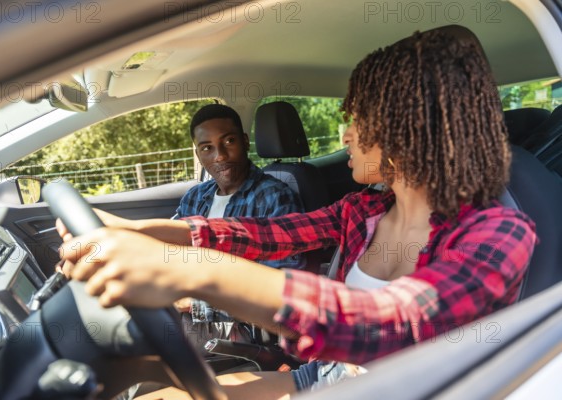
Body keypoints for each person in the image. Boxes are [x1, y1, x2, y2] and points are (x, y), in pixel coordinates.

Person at [58, 25, 537, 399]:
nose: (346, 135)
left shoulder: (498, 234)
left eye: (359, 120)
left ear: (409, 127)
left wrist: (184, 269)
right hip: (322, 379)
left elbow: (383, 321)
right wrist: (137, 230)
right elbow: (260, 235)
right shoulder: (364, 209)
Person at [175, 103, 304, 349]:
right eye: (207, 148)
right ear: (198, 154)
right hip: (188, 308)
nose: (220, 156)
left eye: (229, 141)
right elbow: (170, 252)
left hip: (243, 328)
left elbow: (280, 289)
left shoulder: (274, 198)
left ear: (245, 141)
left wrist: (196, 304)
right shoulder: (194, 197)